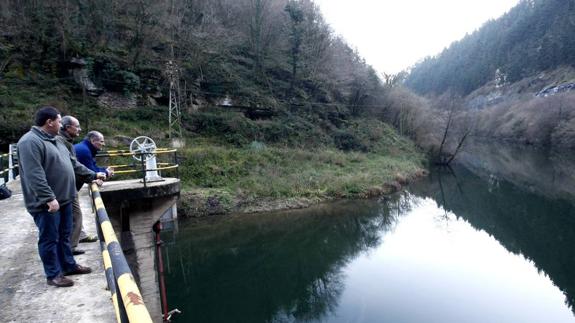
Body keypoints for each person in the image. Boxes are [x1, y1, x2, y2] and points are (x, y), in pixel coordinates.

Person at [18, 106, 106, 287]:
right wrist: (48, 198)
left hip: (65, 198)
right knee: (50, 239)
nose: (61, 123)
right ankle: (53, 275)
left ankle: (68, 265)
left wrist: (93, 175)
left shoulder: (55, 140)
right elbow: (34, 174)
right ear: (49, 122)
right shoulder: (29, 142)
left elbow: (73, 164)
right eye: (59, 121)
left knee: (64, 235)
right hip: (48, 203)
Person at [58, 116, 102, 255]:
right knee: (74, 216)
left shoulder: (69, 143)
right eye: (77, 126)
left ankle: (71, 246)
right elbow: (76, 165)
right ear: (67, 127)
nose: (79, 129)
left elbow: (87, 166)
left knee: (72, 216)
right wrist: (94, 176)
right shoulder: (77, 148)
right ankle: (69, 249)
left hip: (69, 186)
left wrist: (95, 175)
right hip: (65, 187)